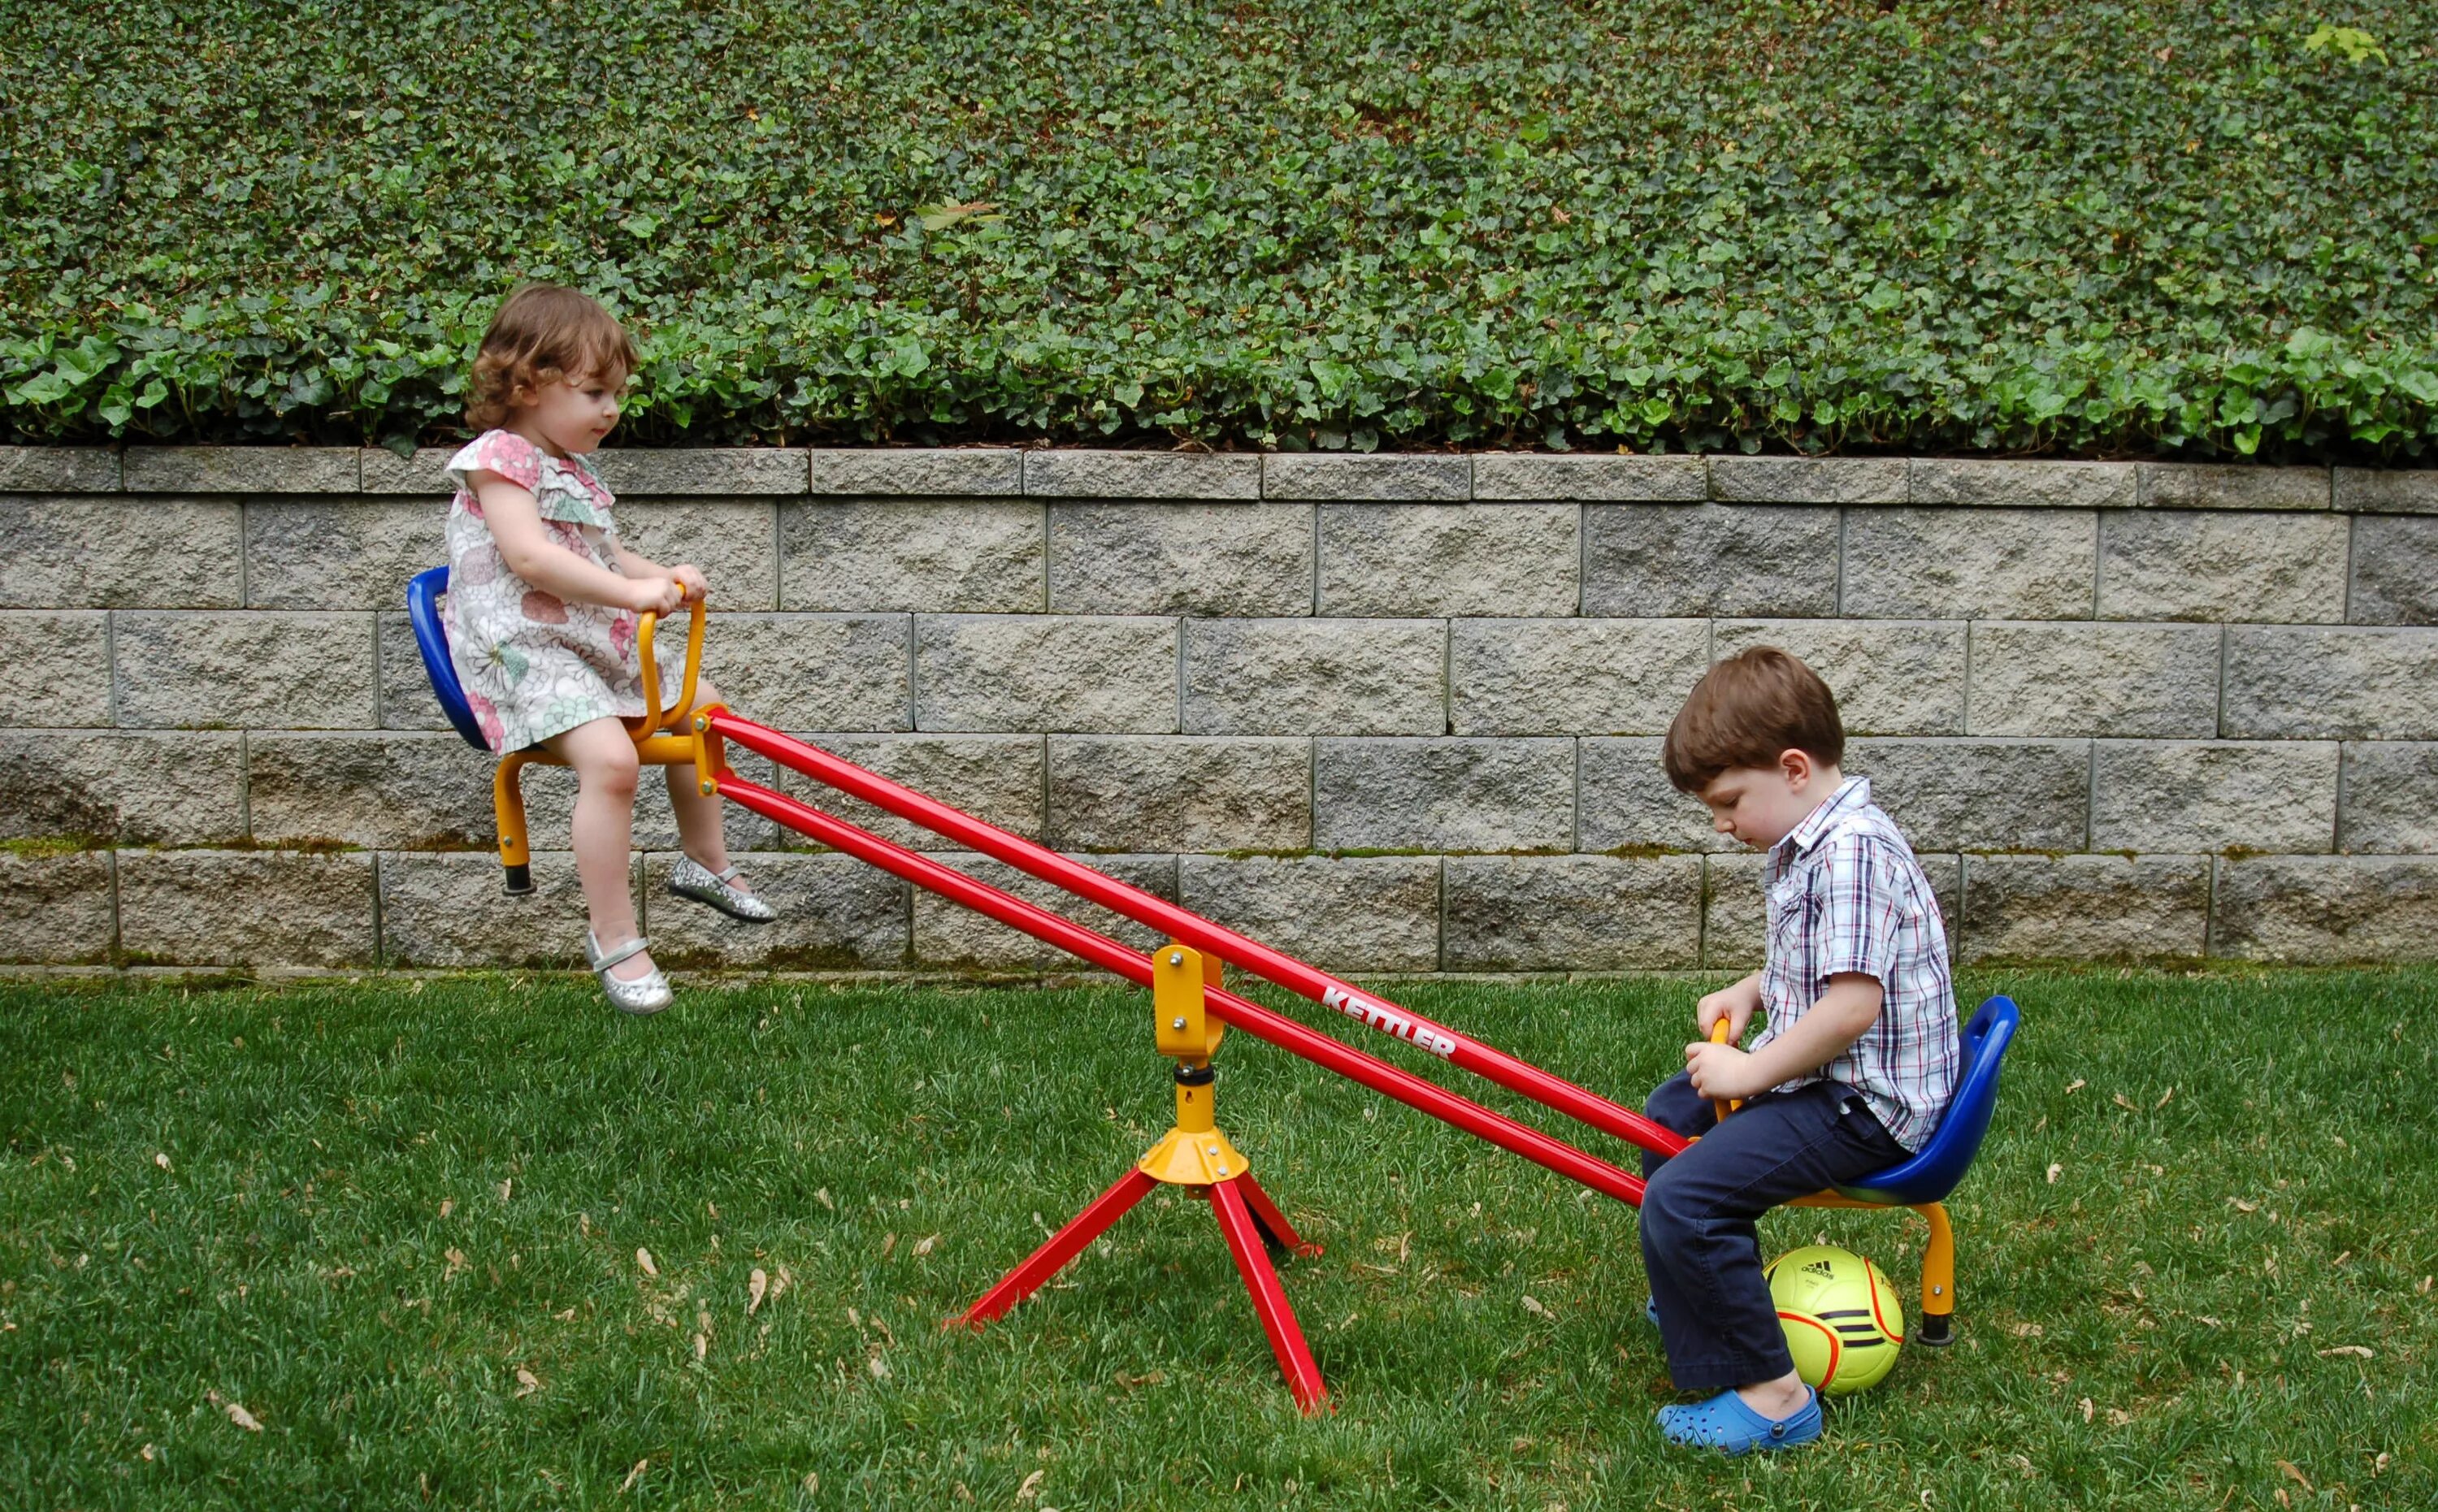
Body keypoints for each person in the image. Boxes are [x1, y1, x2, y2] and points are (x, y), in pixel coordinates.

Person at [1638, 646, 1960, 1454]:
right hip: (1840, 1080)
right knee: (1669, 1117)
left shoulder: (1851, 849)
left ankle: (1778, 1399)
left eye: (1727, 802)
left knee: (1687, 1196)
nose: (1721, 823)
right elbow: (1826, 962)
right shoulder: (1819, 840)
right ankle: (1702, 1297)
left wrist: (1749, 1068)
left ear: (1791, 768)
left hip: (1867, 1105)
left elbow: (1851, 1007)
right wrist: (1754, 989)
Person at [443, 283, 776, 1015]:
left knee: (708, 713)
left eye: (616, 392)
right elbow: (531, 557)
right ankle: (615, 935)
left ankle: (705, 860)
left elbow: (609, 555)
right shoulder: (498, 459)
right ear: (526, 384)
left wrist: (663, 577)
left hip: (589, 645)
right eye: (594, 391)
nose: (611, 409)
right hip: (528, 657)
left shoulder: (575, 470)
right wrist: (631, 596)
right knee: (613, 761)